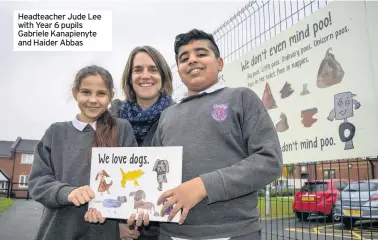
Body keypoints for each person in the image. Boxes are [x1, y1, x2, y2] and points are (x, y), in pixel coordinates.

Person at [152, 29, 283, 240]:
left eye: (201, 54)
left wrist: (203, 186)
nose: (192, 60)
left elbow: (269, 162)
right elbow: (154, 174)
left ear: (219, 63)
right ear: (179, 70)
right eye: (184, 58)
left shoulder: (242, 98)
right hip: (171, 232)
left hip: (233, 232)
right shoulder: (167, 116)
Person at [27, 65, 138, 240]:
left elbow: (132, 181)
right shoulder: (55, 132)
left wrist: (121, 219)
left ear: (110, 97)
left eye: (101, 93)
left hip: (103, 233)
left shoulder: (122, 129)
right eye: (86, 92)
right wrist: (67, 193)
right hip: (57, 230)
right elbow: (37, 182)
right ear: (75, 93)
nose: (93, 100)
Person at [87, 46, 175, 240]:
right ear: (129, 77)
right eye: (138, 70)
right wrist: (115, 225)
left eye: (153, 69)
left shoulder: (179, 117)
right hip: (115, 227)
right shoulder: (109, 118)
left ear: (163, 76)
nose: (145, 76)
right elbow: (96, 173)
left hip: (163, 231)